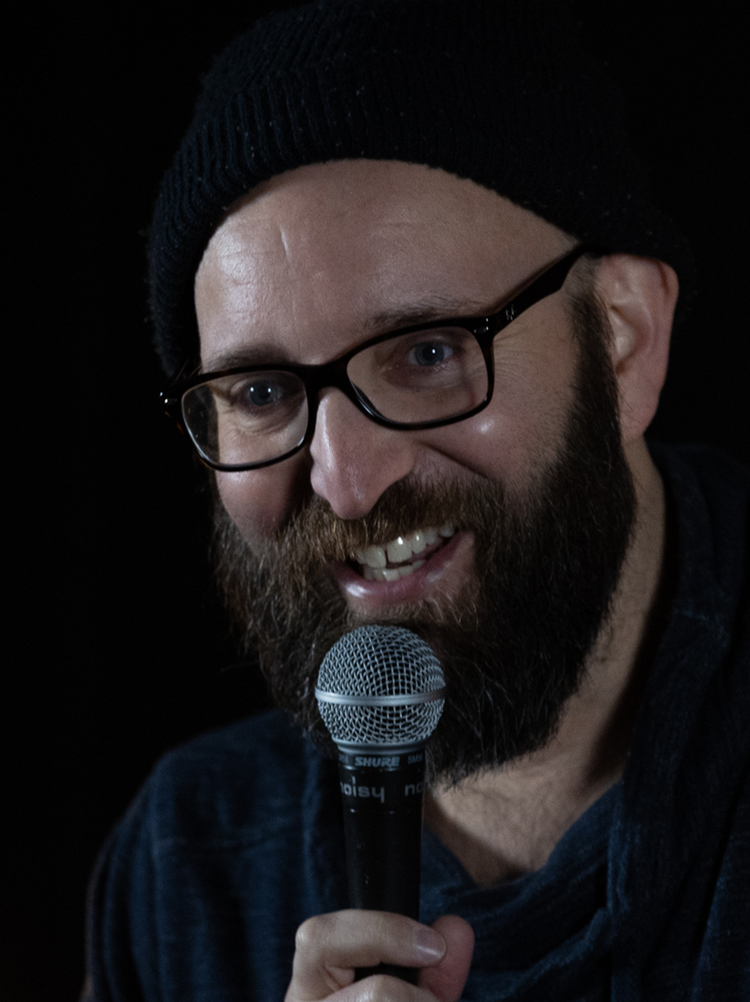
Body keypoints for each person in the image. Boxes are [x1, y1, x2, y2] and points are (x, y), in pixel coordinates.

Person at [84, 1, 749, 999]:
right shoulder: (189, 868)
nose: (347, 482)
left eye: (430, 353)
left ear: (625, 340)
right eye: (261, 394)